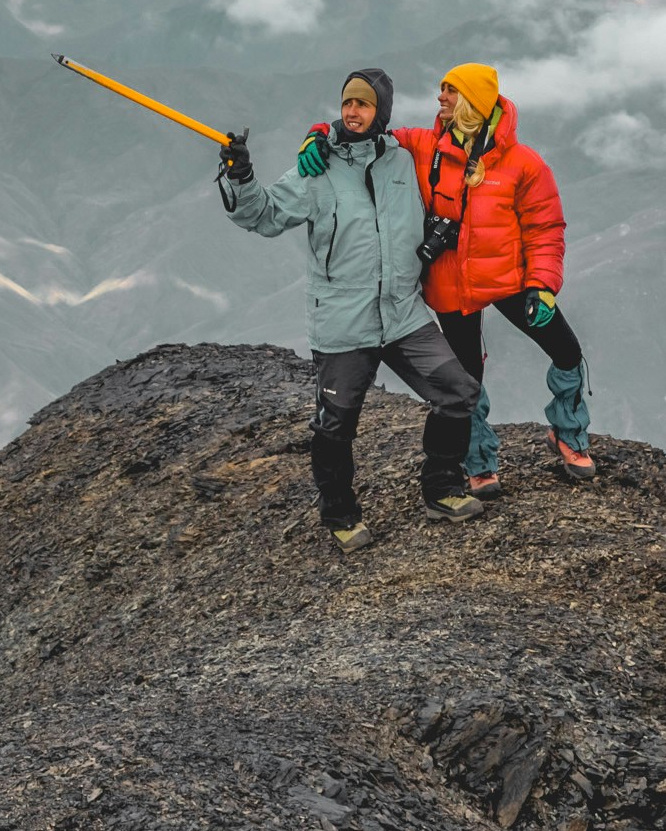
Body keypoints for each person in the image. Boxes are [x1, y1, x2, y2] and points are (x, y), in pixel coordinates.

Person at [217, 67, 488, 548]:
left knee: (459, 392)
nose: (352, 112)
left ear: (380, 112)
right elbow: (262, 214)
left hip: (402, 315)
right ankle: (340, 514)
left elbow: (458, 156)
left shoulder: (403, 161)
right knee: (336, 423)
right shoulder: (316, 166)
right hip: (343, 322)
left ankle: (441, 488)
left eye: (363, 104)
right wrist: (241, 175)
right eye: (347, 104)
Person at [396, 62, 592, 489]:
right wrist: (325, 131)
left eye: (450, 90)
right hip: (451, 283)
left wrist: (542, 286)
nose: (440, 97)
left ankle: (568, 431)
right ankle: (479, 460)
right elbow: (368, 135)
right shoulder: (425, 145)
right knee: (467, 380)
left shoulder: (524, 164)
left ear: (473, 102)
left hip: (510, 279)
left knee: (566, 351)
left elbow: (545, 228)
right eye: (442, 89)